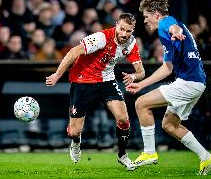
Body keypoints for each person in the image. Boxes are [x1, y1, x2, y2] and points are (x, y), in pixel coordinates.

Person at [126, 0, 211, 175]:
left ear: (157, 14)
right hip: (196, 82)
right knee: (169, 124)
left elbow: (171, 26)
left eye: (146, 16)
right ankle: (206, 157)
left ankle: (149, 153)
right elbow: (167, 68)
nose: (145, 20)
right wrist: (141, 84)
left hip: (189, 82)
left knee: (141, 104)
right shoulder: (171, 28)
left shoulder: (165, 24)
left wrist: (174, 31)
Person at [46, 13, 145, 170]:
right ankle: (76, 142)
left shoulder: (131, 43)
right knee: (74, 131)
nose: (124, 34)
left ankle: (122, 155)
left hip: (107, 81)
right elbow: (74, 52)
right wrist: (58, 74)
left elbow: (141, 72)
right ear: (116, 25)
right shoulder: (101, 38)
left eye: (129, 31)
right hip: (82, 81)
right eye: (122, 29)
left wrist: (134, 76)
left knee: (124, 119)